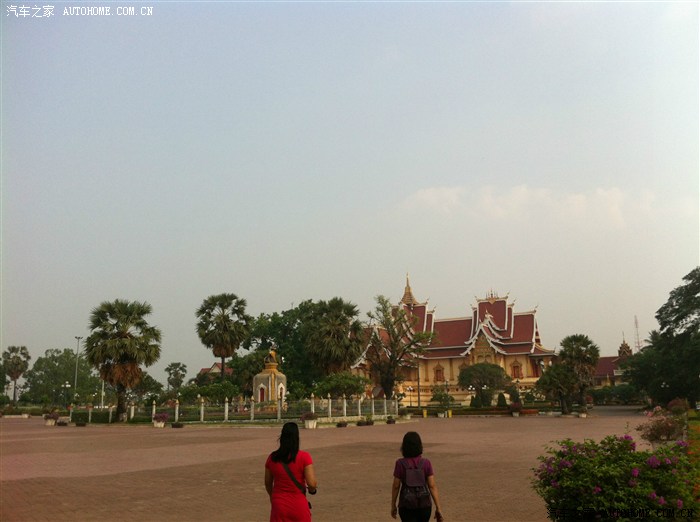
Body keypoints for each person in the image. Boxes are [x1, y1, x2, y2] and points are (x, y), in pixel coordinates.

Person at [265, 422, 318, 522]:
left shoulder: (272, 458)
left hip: (279, 505)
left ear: (282, 437)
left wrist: (273, 497)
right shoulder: (304, 457)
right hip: (298, 505)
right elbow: (311, 483)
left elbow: (268, 483)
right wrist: (312, 490)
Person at [391, 431, 444, 522]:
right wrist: (438, 507)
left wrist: (393, 505)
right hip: (424, 505)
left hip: (406, 505)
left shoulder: (400, 463)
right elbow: (432, 486)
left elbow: (396, 486)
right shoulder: (426, 463)